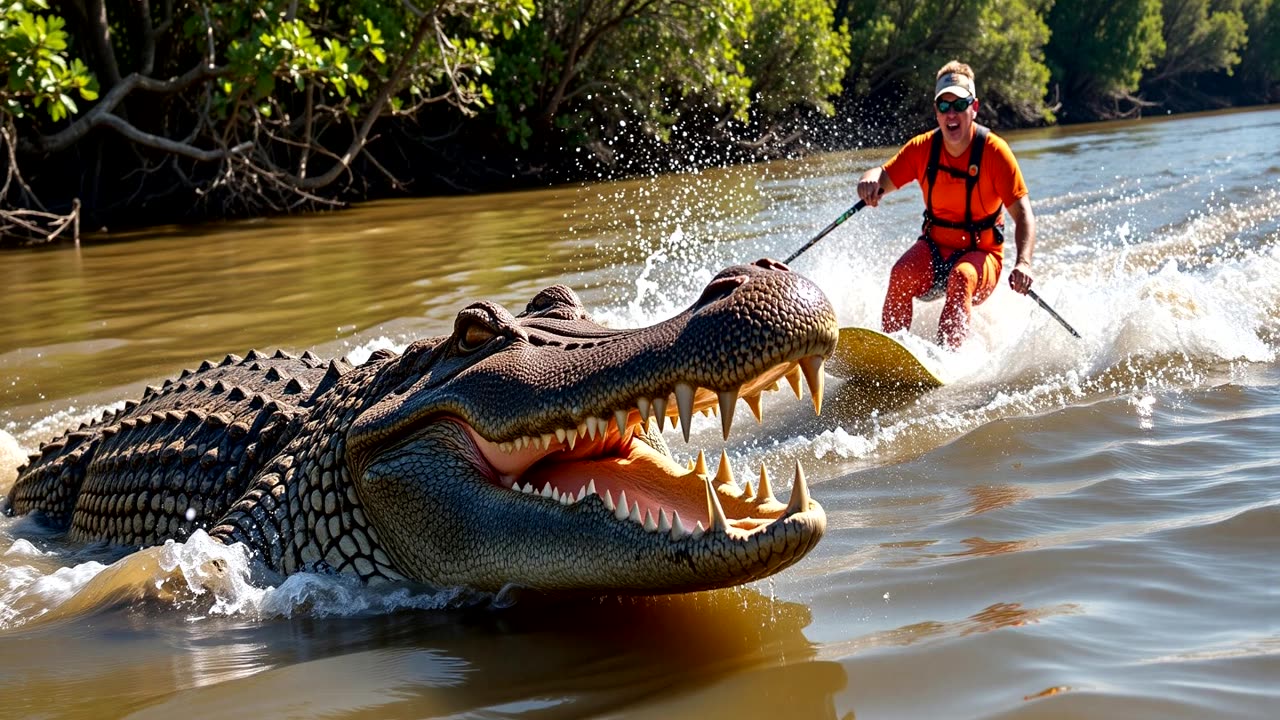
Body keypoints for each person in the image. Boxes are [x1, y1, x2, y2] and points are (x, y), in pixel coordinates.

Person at [856, 60, 1037, 348]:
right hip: (935, 249)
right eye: (943, 106)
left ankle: (949, 357)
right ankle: (891, 350)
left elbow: (1024, 215)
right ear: (936, 111)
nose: (951, 114)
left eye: (959, 104)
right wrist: (868, 180)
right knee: (900, 274)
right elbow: (881, 175)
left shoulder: (995, 153)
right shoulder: (921, 149)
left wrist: (1024, 264)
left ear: (973, 107)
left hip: (982, 256)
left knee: (962, 277)